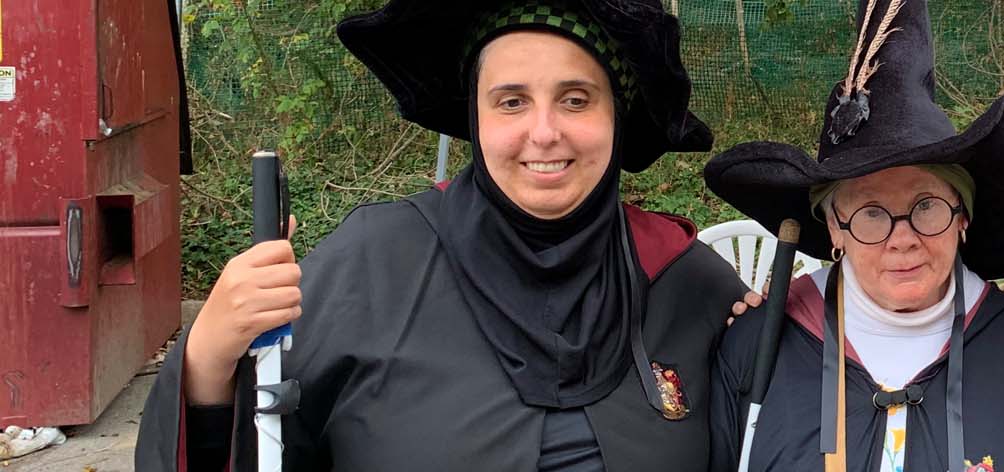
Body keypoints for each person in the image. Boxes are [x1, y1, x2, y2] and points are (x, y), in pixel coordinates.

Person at [135, 0, 747, 469]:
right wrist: (207, 357)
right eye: (511, 101)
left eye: (576, 99)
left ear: (616, 116)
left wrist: (784, 323)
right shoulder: (371, 265)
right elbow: (258, 441)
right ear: (474, 118)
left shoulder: (683, 279)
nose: (543, 132)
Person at [700, 0, 1004, 469]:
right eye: (871, 213)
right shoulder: (759, 348)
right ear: (835, 227)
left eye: (926, 206)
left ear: (962, 217)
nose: (902, 239)